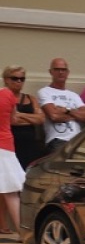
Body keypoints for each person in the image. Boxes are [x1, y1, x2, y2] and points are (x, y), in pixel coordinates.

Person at [38, 58, 85, 153]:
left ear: (68, 72)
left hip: (78, 140)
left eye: (63, 70)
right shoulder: (44, 92)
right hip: (57, 140)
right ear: (51, 72)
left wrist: (67, 111)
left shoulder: (73, 95)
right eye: (57, 69)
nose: (60, 72)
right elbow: (54, 116)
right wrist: (77, 115)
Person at [3, 66, 48, 168]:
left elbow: (41, 119)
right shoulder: (3, 97)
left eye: (22, 79)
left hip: (30, 144)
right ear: (6, 80)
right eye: (15, 78)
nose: (19, 81)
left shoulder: (30, 98)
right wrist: (31, 118)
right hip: (10, 144)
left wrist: (20, 114)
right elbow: (12, 121)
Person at [0, 70, 28, 232]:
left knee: (10, 192)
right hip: (5, 145)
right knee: (11, 192)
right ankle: (22, 232)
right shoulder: (8, 95)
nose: (18, 81)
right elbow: (13, 119)